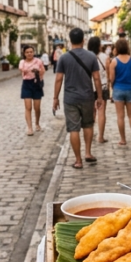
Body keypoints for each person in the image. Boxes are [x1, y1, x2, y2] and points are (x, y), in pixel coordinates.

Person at [53, 28, 103, 169]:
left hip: (70, 99)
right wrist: (99, 96)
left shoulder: (64, 58)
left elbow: (58, 79)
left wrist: (55, 98)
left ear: (70, 40)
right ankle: (88, 153)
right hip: (87, 97)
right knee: (88, 125)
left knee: (73, 129)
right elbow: (97, 78)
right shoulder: (91, 56)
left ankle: (78, 160)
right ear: (83, 40)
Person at [109, 38, 131, 146]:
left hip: (118, 89)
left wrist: (111, 89)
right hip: (130, 89)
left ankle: (123, 139)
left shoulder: (114, 61)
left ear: (116, 48)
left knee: (120, 116)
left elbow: (112, 78)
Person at [19, 45, 46, 136]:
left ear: (33, 52)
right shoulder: (22, 62)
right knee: (28, 107)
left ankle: (37, 123)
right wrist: (31, 69)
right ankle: (29, 127)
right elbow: (22, 70)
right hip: (27, 84)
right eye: (27, 52)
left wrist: (38, 71)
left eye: (31, 52)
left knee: (37, 107)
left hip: (36, 84)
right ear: (24, 53)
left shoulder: (38, 61)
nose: (29, 53)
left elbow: (43, 71)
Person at [87, 36, 110, 143]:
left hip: (90, 86)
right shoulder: (105, 57)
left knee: (92, 112)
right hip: (103, 86)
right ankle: (100, 136)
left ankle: (90, 135)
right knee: (102, 112)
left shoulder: (86, 57)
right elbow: (108, 75)